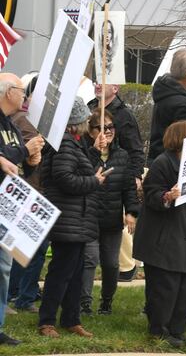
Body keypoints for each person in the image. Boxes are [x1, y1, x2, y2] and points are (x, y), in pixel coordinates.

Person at [133, 120, 186, 348]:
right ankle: (159, 329)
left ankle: (178, 329)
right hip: (163, 236)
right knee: (164, 286)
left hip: (185, 232)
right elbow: (151, 195)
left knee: (184, 286)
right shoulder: (162, 163)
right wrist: (168, 196)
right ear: (180, 139)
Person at [38, 98, 104, 339]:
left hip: (77, 218)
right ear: (75, 122)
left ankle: (70, 319)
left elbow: (80, 170)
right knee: (61, 272)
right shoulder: (65, 144)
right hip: (68, 218)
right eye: (85, 119)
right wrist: (94, 182)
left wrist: (95, 153)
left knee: (74, 272)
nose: (88, 122)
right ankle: (47, 321)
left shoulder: (73, 144)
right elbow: (65, 178)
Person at [81, 109, 139, 316]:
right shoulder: (85, 152)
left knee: (111, 263)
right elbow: (81, 175)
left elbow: (129, 188)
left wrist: (131, 211)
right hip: (89, 218)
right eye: (101, 128)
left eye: (110, 127)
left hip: (112, 220)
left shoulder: (122, 156)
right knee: (89, 259)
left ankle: (106, 301)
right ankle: (84, 302)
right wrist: (95, 151)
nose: (107, 131)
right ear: (91, 131)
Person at [0, 73, 44, 344]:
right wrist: (24, 152)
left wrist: (33, 160)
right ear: (7, 93)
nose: (25, 96)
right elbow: (8, 157)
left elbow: (18, 165)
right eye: (21, 90)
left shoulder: (11, 124)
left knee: (4, 266)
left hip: (8, 205)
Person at [89, 83, 145, 182]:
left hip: (115, 178)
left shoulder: (124, 115)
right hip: (90, 176)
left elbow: (135, 149)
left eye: (102, 83)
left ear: (115, 88)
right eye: (96, 82)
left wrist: (136, 176)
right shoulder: (88, 110)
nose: (97, 86)